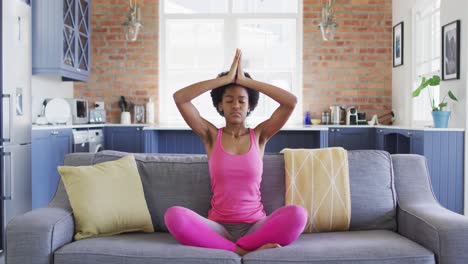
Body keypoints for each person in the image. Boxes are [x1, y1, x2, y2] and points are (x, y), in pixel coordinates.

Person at [165, 49, 308, 256]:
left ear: (250, 106)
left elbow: (290, 102)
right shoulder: (211, 135)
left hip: (256, 226)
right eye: (229, 100)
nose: (236, 105)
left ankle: (235, 248)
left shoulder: (260, 135)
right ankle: (243, 250)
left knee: (298, 214)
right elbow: (180, 98)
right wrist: (225, 79)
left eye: (242, 100)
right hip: (218, 228)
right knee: (174, 216)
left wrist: (245, 81)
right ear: (220, 105)